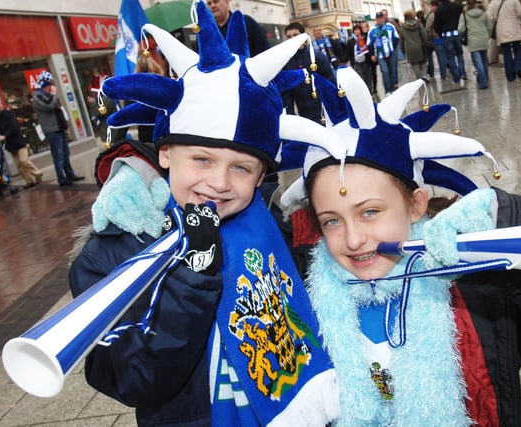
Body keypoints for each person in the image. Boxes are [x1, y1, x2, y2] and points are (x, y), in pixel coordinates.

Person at [278, 66, 521, 426]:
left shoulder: (476, 297)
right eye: (332, 220)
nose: (353, 239)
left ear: (415, 204)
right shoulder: (297, 297)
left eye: (369, 211)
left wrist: (505, 227)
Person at [69, 5, 338, 426]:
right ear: (165, 152)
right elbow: (129, 379)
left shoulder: (269, 222)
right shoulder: (116, 249)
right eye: (201, 158)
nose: (218, 183)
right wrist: (192, 283)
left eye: (241, 167)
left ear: (261, 175)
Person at [31, 71, 84, 186]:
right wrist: (54, 94)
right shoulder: (37, 97)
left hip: (59, 128)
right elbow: (49, 106)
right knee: (58, 155)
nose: (52, 86)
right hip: (52, 130)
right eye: (50, 84)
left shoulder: (47, 96)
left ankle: (70, 174)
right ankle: (61, 178)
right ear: (45, 85)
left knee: (65, 153)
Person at [281, 22, 335, 124]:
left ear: (302, 36)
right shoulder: (286, 62)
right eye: (289, 36)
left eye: (295, 35)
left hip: (323, 109)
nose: (292, 38)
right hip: (304, 113)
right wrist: (290, 114)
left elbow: (330, 82)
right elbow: (287, 92)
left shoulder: (317, 56)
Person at [0, 99, 42, 189]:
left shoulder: (9, 114)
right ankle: (29, 181)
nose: (0, 105)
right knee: (19, 165)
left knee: (23, 160)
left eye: (0, 103)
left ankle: (37, 173)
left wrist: (4, 136)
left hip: (18, 141)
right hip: (10, 145)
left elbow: (14, 127)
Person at [459, 0, 492, 89]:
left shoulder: (465, 14)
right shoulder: (483, 13)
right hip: (483, 38)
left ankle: (483, 83)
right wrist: (487, 35)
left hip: (473, 40)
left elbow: (461, 28)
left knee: (478, 62)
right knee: (484, 61)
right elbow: (489, 26)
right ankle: (485, 79)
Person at [489, 0, 521, 81]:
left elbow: (490, 17)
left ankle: (510, 76)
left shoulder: (493, 3)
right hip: (514, 28)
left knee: (506, 53)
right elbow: (520, 12)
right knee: (518, 50)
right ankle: (518, 67)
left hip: (501, 30)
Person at [434, 0, 467, 84]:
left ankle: (456, 75)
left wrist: (440, 33)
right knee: (460, 54)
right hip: (457, 33)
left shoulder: (439, 10)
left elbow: (436, 25)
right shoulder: (457, 6)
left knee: (450, 57)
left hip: (446, 35)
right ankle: (463, 73)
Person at [367, 11, 400, 96]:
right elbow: (369, 44)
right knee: (385, 71)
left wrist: (392, 47)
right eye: (378, 18)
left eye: (381, 18)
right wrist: (372, 54)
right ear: (376, 19)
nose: (380, 20)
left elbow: (396, 37)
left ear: (383, 18)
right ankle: (388, 90)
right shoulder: (373, 30)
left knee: (392, 70)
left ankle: (393, 89)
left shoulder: (390, 26)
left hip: (391, 52)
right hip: (380, 54)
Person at [344, 23, 374, 94]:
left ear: (360, 31)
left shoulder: (365, 38)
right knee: (361, 80)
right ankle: (364, 94)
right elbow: (348, 52)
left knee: (368, 79)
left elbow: (369, 48)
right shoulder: (350, 41)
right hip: (356, 63)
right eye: (355, 30)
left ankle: (370, 93)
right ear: (353, 31)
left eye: (358, 30)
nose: (357, 31)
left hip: (365, 62)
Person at [399, 9, 429, 81]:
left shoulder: (403, 27)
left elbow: (401, 39)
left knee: (415, 64)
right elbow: (424, 34)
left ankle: (419, 78)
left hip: (409, 49)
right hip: (420, 47)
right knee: (423, 62)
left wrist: (403, 49)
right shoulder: (418, 24)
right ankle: (424, 75)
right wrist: (426, 43)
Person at [426, 0, 448, 80]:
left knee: (440, 55)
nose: (430, 8)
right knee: (446, 54)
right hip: (446, 37)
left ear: (434, 6)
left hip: (436, 38)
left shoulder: (433, 15)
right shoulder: (444, 12)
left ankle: (443, 74)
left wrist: (429, 38)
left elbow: (428, 28)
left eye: (431, 6)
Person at [361, 21, 378, 94]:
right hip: (365, 58)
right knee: (367, 74)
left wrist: (374, 54)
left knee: (373, 73)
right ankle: (369, 88)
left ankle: (374, 87)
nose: (364, 28)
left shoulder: (371, 34)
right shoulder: (361, 37)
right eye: (363, 27)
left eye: (366, 27)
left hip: (372, 55)